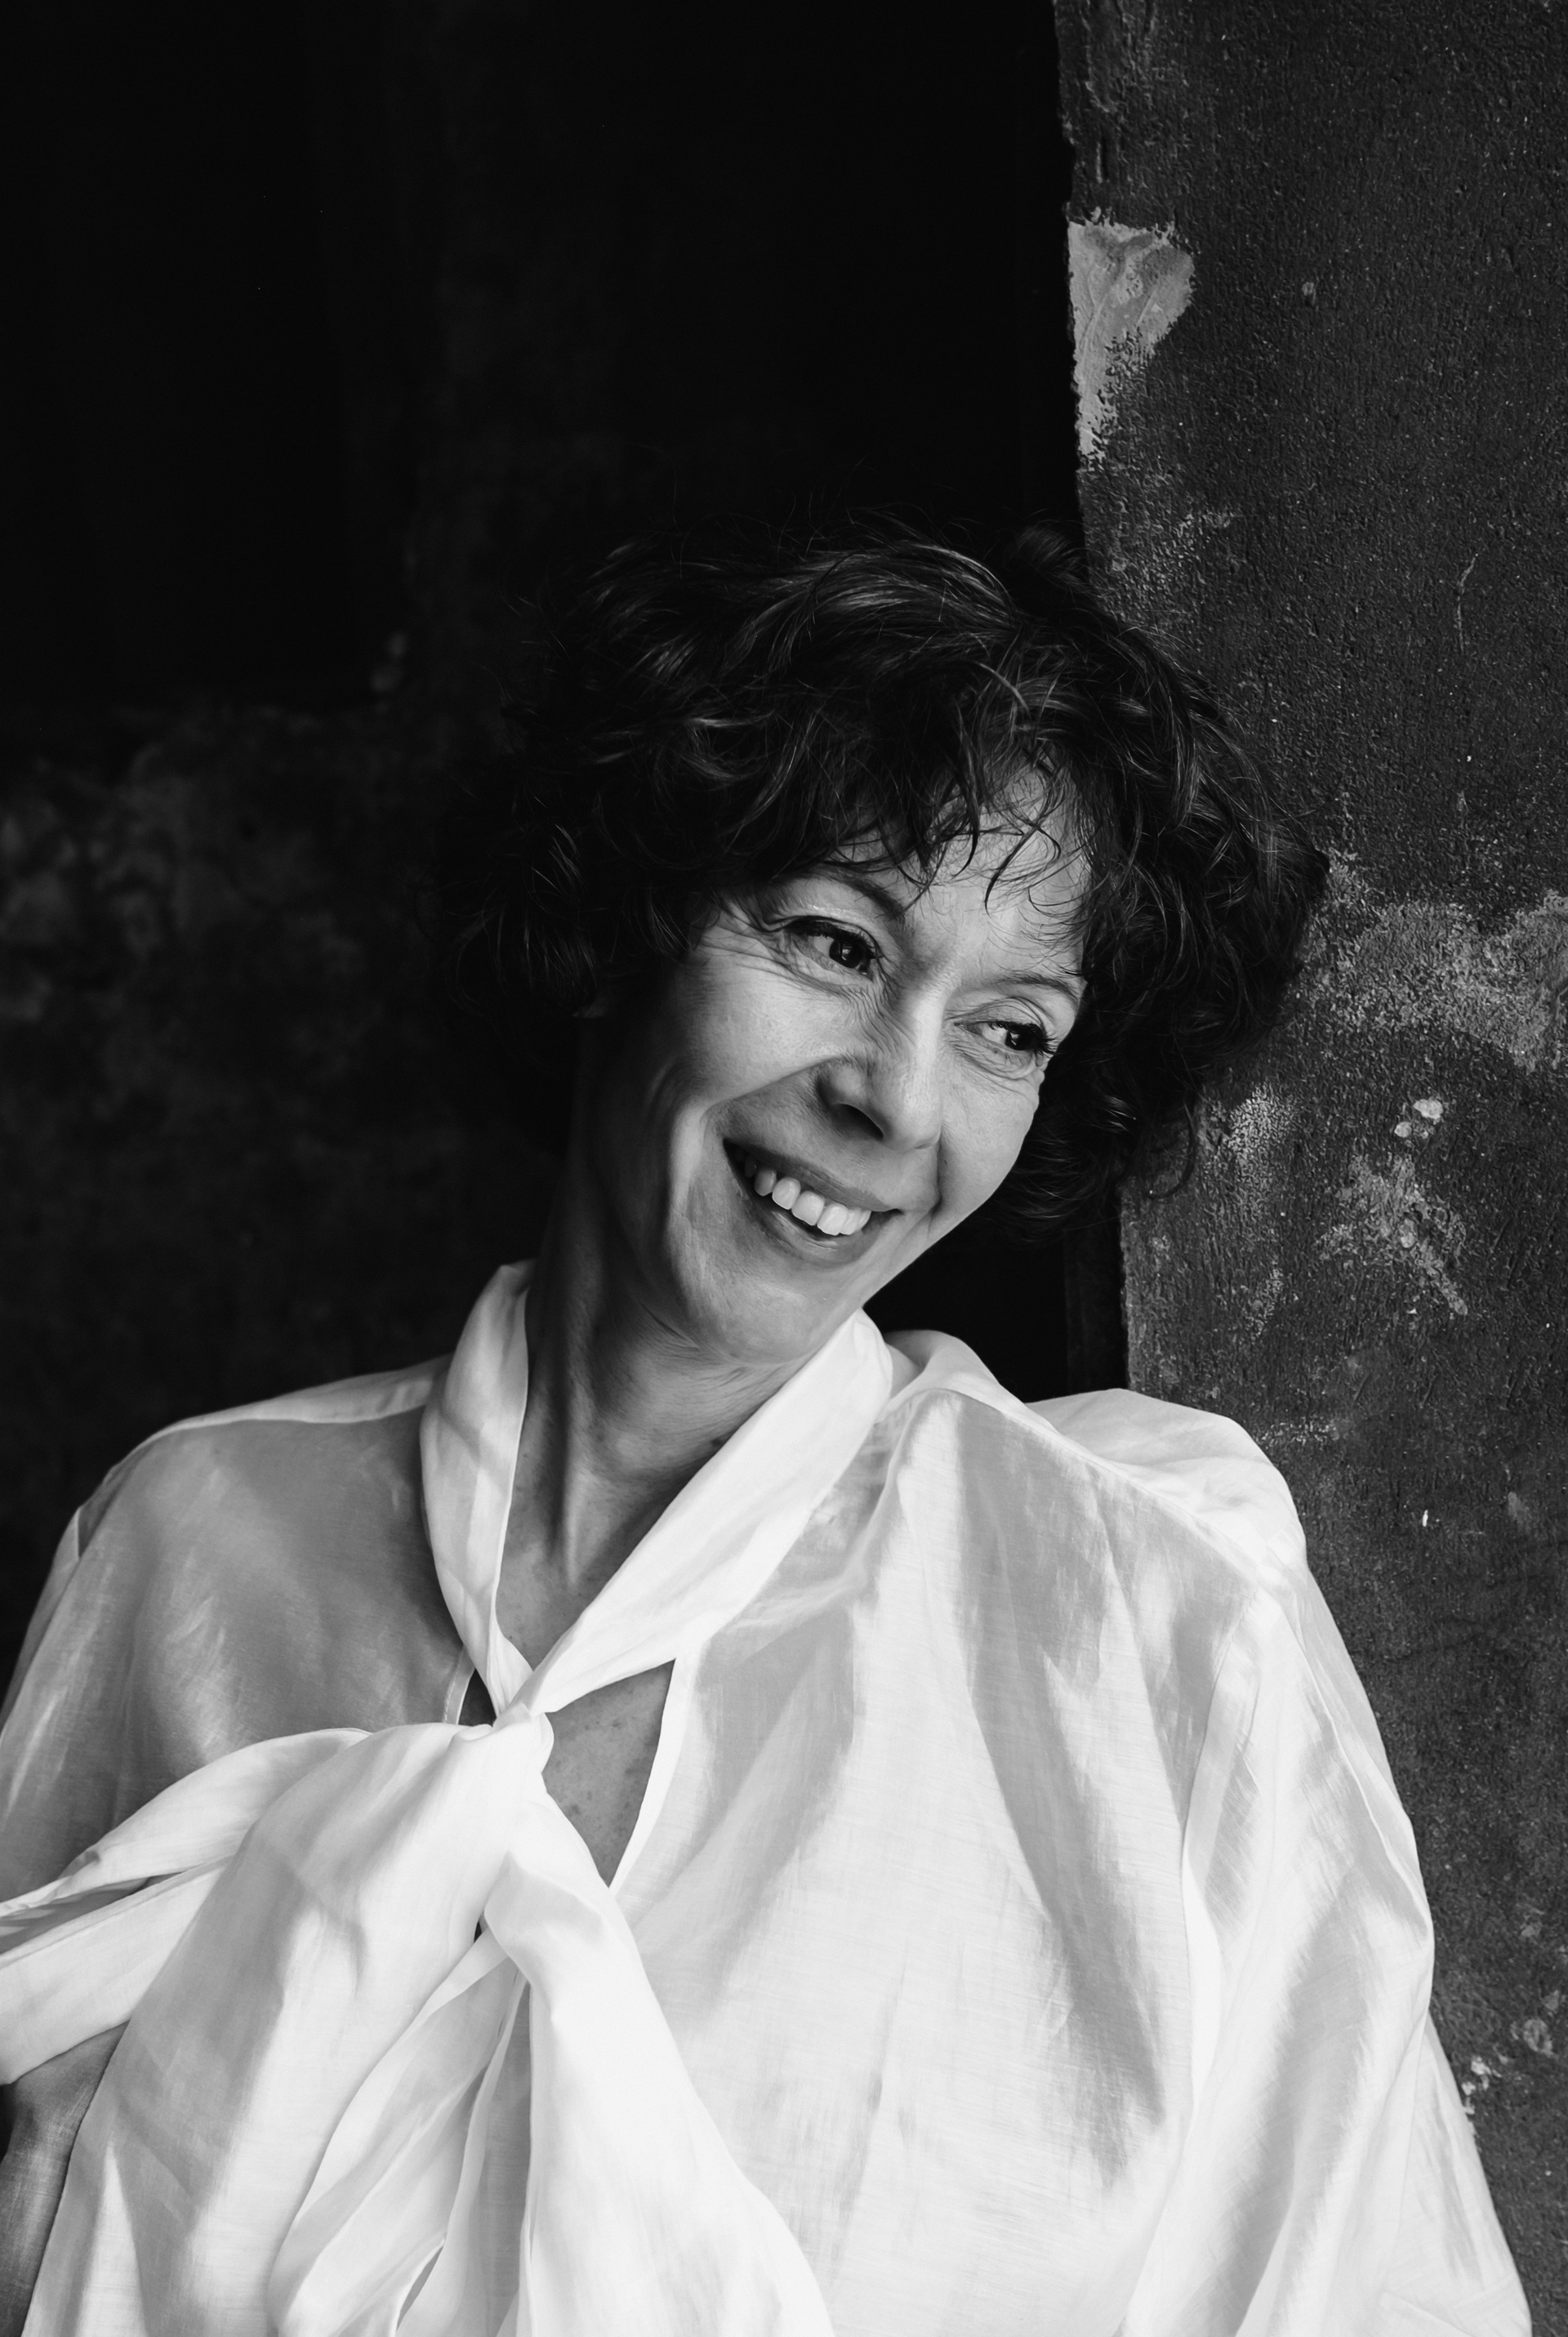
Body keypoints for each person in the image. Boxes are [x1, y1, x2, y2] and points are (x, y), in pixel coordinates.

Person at [0, 527, 1528, 2335]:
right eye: (831, 940)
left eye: (1010, 1029)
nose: (897, 1098)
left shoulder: (1143, 1617)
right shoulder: (185, 1540)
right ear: (620, 920)